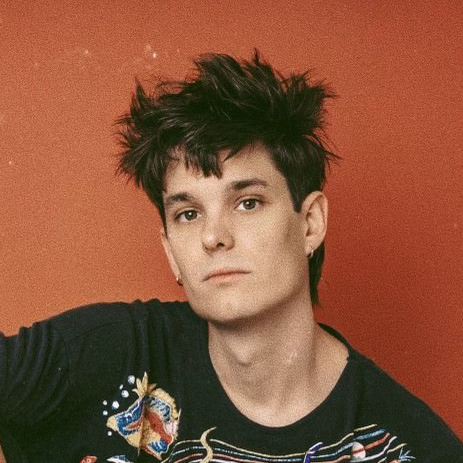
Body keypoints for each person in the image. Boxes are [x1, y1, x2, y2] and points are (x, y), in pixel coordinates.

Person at [0, 51, 461, 463]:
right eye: (188, 214)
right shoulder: (112, 353)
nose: (213, 237)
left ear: (310, 223)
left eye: (248, 202)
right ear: (170, 251)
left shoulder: (407, 446)